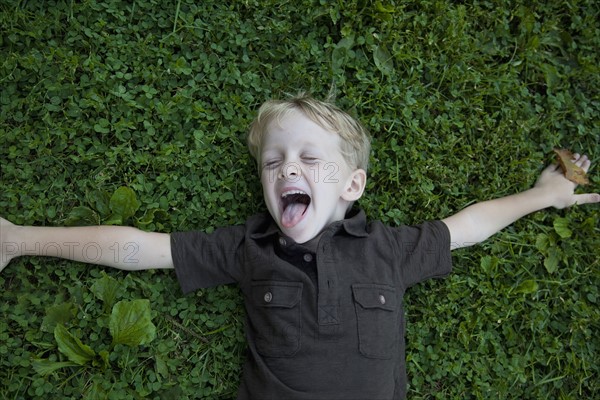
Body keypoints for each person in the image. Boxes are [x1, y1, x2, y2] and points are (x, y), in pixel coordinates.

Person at [1, 94, 598, 399]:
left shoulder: (387, 247)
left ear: (353, 185)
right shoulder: (248, 246)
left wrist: (543, 196)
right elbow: (137, 249)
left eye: (311, 160)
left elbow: (470, 225)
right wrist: (20, 239)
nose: (288, 170)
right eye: (273, 162)